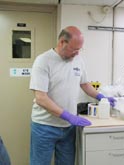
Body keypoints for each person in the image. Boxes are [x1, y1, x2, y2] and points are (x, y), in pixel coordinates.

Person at [29, 26, 116, 165]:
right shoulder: (43, 61)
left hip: (68, 128)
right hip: (44, 126)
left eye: (79, 50)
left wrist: (102, 97)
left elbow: (85, 85)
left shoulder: (78, 60)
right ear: (62, 42)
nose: (77, 53)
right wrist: (68, 115)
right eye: (74, 49)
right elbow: (41, 98)